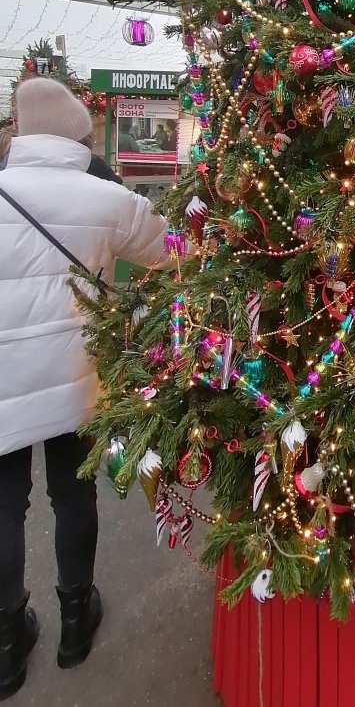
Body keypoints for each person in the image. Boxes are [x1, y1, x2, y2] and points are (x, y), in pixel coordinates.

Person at [0, 79, 168, 699]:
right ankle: (76, 622)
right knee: (73, 499)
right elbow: (172, 249)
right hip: (75, 376)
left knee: (2, 509)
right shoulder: (102, 197)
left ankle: (7, 648)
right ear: (78, 135)